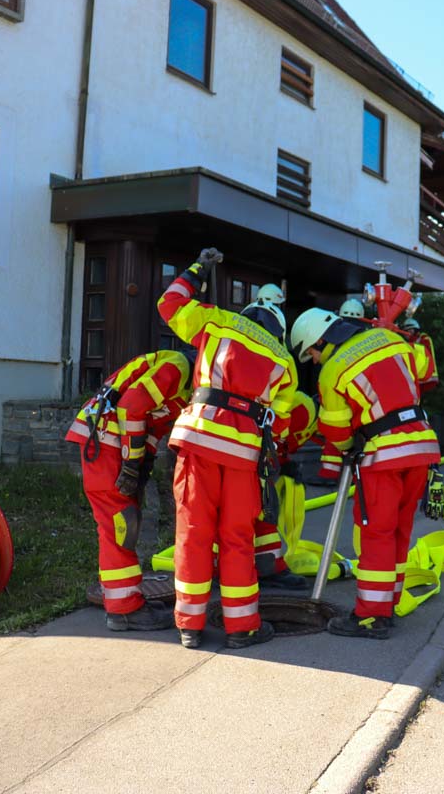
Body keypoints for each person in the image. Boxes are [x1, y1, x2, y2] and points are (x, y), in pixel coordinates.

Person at [158, 248, 298, 650]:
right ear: (278, 330)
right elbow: (280, 425)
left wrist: (198, 270)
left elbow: (169, 304)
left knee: (193, 533)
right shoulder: (284, 361)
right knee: (238, 538)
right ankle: (242, 628)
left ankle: (190, 627)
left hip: (199, 441)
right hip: (244, 456)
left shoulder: (217, 321)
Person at [290, 308, 440, 639]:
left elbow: (336, 429)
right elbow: (425, 369)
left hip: (384, 455)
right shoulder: (389, 338)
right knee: (400, 529)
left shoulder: (332, 371)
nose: (314, 360)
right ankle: (389, 603)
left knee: (377, 533)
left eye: (311, 352)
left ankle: (371, 616)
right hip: (423, 447)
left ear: (320, 340)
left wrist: (348, 447)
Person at [65, 351, 194, 631]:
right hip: (106, 441)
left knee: (122, 523)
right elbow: (130, 407)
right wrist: (133, 463)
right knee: (119, 524)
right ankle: (124, 610)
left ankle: (124, 602)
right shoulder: (178, 366)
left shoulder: (184, 382)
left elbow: (152, 425)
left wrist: (144, 464)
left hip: (109, 440)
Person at [251, 389, 318, 586]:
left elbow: (278, 443)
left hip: (253, 456)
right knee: (264, 510)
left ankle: (264, 566)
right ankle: (268, 568)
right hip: (252, 456)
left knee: (262, 511)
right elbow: (271, 436)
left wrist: (285, 463)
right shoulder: (303, 409)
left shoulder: (308, 416)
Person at [401, 317, 439, 395]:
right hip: (419, 378)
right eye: (405, 331)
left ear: (416, 330)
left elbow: (423, 350)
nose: (407, 333)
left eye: (410, 330)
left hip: (429, 377)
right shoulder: (410, 343)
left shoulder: (424, 338)